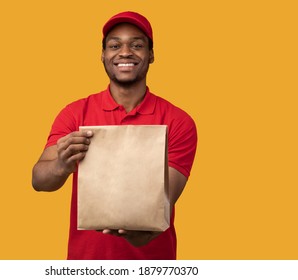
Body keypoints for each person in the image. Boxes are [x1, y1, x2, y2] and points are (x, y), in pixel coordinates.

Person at [32, 11, 197, 260]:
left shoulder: (178, 121)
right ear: (103, 55)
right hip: (85, 264)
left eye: (137, 45)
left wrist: (143, 233)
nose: (125, 52)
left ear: (151, 55)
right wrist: (62, 164)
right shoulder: (75, 113)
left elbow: (164, 201)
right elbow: (38, 181)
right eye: (114, 45)